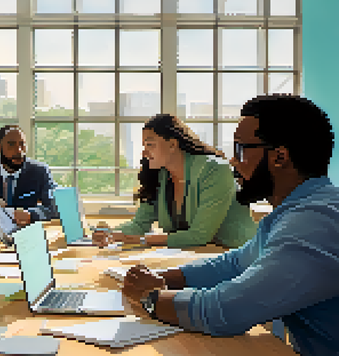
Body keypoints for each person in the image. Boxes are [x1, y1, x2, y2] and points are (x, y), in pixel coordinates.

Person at [122, 95, 339, 355]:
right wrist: (165, 278)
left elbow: (225, 311)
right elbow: (235, 263)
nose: (234, 163)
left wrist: (151, 296)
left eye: (240, 150)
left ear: (280, 157)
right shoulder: (297, 210)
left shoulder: (314, 224)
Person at [92, 114, 257, 248]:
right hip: (193, 255)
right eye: (144, 146)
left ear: (172, 145)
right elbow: (139, 225)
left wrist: (142, 240)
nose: (144, 152)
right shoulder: (160, 175)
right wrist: (109, 233)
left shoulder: (214, 169)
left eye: (150, 144)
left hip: (236, 254)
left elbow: (199, 236)